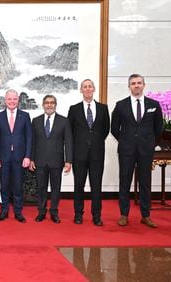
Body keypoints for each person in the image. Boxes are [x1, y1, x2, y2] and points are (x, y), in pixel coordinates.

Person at [111, 74, 163, 228]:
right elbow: (114, 129)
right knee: (124, 181)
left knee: (145, 182)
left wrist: (150, 142)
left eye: (139, 83)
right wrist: (126, 140)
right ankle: (124, 215)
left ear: (144, 85)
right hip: (126, 150)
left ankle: (145, 215)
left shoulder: (154, 104)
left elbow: (158, 128)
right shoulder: (121, 105)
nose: (136, 86)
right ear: (129, 86)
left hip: (146, 150)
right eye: (133, 83)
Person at [67, 79, 110, 226]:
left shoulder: (103, 108)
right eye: (84, 87)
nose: (87, 89)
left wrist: (94, 142)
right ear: (81, 90)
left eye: (90, 86)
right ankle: (78, 214)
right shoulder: (74, 109)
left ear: (94, 89)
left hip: (97, 154)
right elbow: (70, 133)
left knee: (96, 186)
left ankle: (96, 216)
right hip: (79, 154)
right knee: (79, 185)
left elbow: (105, 130)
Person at [30, 95, 72, 224]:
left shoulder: (64, 121)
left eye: (52, 103)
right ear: (43, 105)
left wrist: (69, 160)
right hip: (40, 160)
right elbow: (33, 142)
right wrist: (31, 159)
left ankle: (54, 212)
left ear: (55, 105)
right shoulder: (36, 121)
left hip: (56, 161)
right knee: (41, 187)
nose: (49, 105)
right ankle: (41, 212)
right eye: (47, 103)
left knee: (55, 188)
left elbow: (68, 142)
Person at [0, 89, 32, 223]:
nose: (12, 102)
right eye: (9, 99)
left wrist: (27, 156)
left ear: (18, 100)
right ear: (5, 100)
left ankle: (18, 212)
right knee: (4, 185)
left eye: (14, 99)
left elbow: (29, 137)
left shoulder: (25, 116)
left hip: (20, 158)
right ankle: (4, 211)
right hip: (3, 158)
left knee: (17, 186)